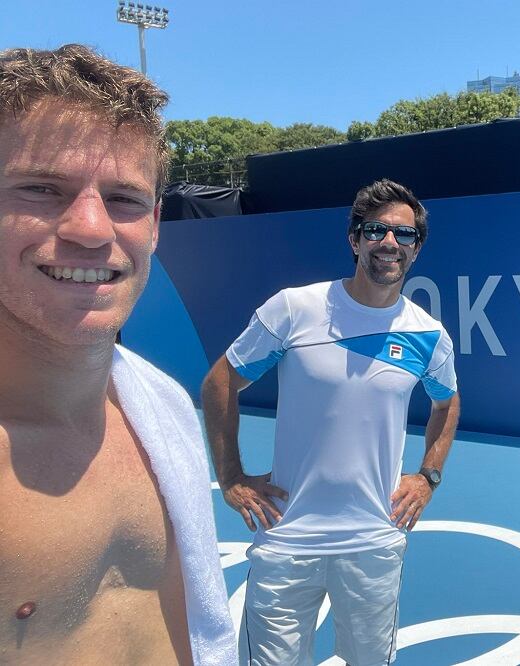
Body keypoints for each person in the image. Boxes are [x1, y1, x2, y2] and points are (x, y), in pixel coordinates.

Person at [0, 45, 237, 664]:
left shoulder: (162, 407)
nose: (92, 228)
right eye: (41, 188)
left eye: (125, 199)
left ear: (156, 224)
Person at [202, 179, 460, 666]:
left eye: (403, 235)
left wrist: (428, 476)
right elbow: (220, 382)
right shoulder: (295, 309)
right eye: (375, 230)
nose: (389, 243)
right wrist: (231, 476)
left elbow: (447, 404)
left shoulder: (428, 333)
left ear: (416, 249)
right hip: (286, 540)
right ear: (354, 239)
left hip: (374, 543)